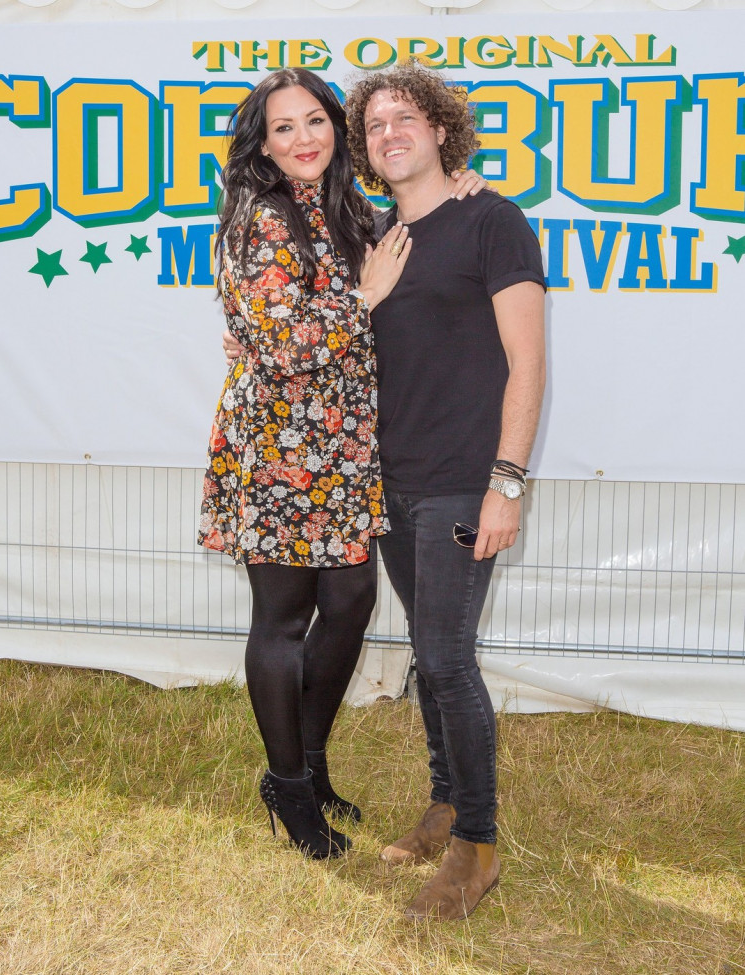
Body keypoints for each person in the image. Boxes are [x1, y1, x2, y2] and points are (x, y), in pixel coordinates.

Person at [198, 68, 485, 860]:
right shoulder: (262, 215)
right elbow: (288, 341)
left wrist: (461, 181)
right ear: (261, 140)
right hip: (280, 446)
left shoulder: (344, 206)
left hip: (343, 444)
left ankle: (307, 762)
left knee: (353, 599)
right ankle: (290, 789)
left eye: (315, 122)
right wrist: (358, 302)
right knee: (284, 618)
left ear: (338, 129)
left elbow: (407, 245)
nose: (302, 140)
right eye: (283, 127)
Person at [344, 60, 546, 919]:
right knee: (430, 654)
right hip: (393, 483)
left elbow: (529, 363)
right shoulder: (379, 239)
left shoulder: (492, 220)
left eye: (405, 118)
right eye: (375, 126)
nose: (390, 133)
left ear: (439, 130)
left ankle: (477, 846)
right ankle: (443, 802)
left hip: (466, 482)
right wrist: (365, 297)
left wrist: (507, 482)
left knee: (450, 658)